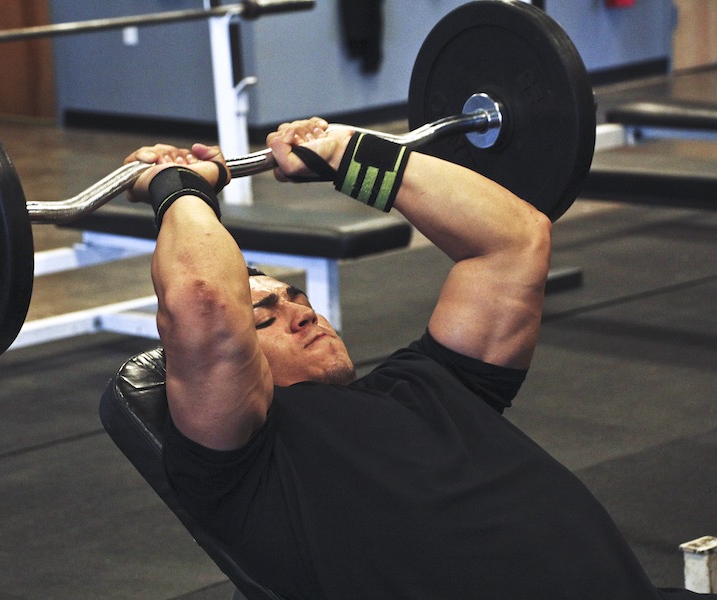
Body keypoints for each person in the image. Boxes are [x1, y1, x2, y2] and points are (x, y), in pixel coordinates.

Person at [124, 118, 711, 599]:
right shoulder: (241, 468)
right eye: (263, 318)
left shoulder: (430, 383)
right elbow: (203, 302)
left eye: (296, 297)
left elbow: (514, 239)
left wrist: (346, 154)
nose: (300, 313)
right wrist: (180, 191)